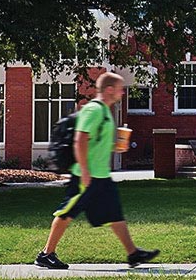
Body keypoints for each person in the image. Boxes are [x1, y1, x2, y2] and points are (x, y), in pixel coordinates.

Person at [34, 72, 159, 270]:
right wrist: (84, 170)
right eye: (119, 88)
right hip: (87, 177)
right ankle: (46, 254)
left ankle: (133, 254)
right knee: (66, 212)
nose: (122, 92)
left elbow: (97, 143)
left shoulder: (106, 112)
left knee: (115, 214)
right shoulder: (93, 110)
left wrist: (117, 147)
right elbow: (80, 140)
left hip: (101, 176)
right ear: (109, 89)